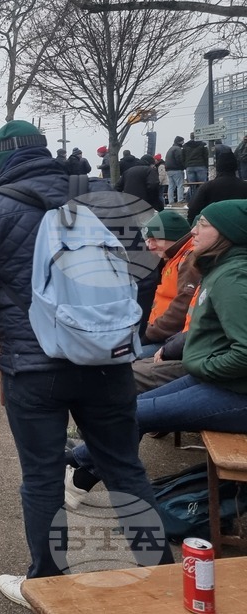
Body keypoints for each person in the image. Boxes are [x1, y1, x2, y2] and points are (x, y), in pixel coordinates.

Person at [0, 120, 171, 606]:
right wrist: (121, 334)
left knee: (42, 476)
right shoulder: (105, 199)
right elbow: (147, 273)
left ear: (2, 162)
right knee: (126, 471)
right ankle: (164, 575)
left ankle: (48, 586)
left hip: (35, 367)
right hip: (108, 365)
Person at [66, 200, 247, 506]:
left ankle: (79, 474)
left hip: (234, 391)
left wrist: (200, 363)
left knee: (131, 410)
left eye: (203, 224)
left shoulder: (234, 277)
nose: (194, 230)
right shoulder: (223, 268)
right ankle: (78, 468)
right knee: (131, 407)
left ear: (227, 232)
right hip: (215, 377)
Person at [140, 211, 198, 355]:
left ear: (175, 238)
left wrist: (147, 335)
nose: (150, 246)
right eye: (148, 239)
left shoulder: (189, 260)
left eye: (157, 239)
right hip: (161, 333)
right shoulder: (172, 257)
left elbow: (181, 307)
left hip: (169, 338)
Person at [186, 151, 247, 224]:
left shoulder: (207, 187)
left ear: (218, 168)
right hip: (240, 228)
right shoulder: (244, 186)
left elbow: (193, 209)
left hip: (213, 227)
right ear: (236, 167)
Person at [183, 133, 209, 201]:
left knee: (192, 186)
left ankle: (193, 201)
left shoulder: (185, 146)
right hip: (201, 166)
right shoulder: (202, 144)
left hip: (189, 167)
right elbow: (206, 156)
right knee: (202, 185)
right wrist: (206, 166)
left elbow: (182, 157)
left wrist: (185, 166)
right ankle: (202, 199)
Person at [164, 136, 185, 205]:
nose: (183, 143)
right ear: (180, 142)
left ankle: (171, 201)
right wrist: (183, 167)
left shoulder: (170, 149)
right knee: (180, 185)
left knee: (171, 186)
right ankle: (180, 200)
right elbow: (179, 159)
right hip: (176, 169)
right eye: (182, 141)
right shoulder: (177, 149)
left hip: (169, 170)